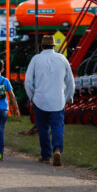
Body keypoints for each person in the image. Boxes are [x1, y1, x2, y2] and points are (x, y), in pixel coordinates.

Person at [24, 34, 75, 166]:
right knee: (58, 126)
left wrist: (32, 97)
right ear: (54, 46)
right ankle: (57, 149)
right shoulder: (62, 59)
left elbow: (28, 81)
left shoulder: (36, 59)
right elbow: (70, 82)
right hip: (58, 100)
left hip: (40, 100)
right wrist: (68, 97)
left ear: (42, 46)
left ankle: (46, 156)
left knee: (43, 128)